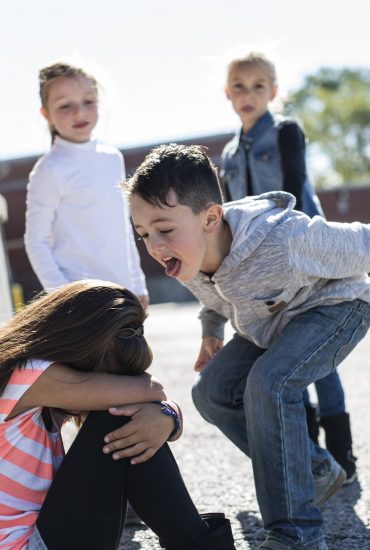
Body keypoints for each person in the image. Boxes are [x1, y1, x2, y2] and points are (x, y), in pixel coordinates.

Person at [123, 143, 370, 550]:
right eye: (143, 233)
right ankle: (315, 470)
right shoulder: (187, 254)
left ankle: (298, 534)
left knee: (270, 384)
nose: (154, 245)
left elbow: (361, 243)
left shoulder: (284, 239)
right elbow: (214, 298)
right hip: (271, 323)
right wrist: (210, 333)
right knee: (211, 393)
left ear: (210, 218)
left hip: (337, 307)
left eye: (164, 229)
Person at [0, 279, 236, 550]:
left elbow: (151, 398)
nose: (108, 389)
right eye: (105, 378)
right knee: (119, 417)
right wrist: (166, 413)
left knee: (129, 418)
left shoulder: (30, 378)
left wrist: (168, 416)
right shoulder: (29, 375)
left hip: (38, 536)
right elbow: (153, 389)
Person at [221, 51, 356, 483]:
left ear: (273, 92)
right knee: (283, 356)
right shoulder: (227, 152)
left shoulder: (285, 132)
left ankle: (343, 456)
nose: (248, 94)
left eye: (258, 86)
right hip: (260, 271)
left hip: (304, 256)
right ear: (228, 93)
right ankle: (313, 458)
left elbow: (295, 191)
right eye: (239, 86)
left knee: (320, 361)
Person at [24, 62, 149, 309]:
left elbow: (123, 228)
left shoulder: (113, 158)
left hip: (123, 294)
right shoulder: (50, 169)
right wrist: (64, 295)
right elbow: (35, 240)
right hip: (81, 303)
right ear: (46, 114)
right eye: (65, 106)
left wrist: (138, 284)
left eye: (88, 102)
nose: (79, 112)